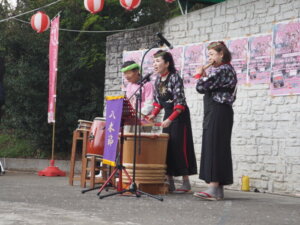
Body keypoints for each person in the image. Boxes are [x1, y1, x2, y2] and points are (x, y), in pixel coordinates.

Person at [147, 50, 197, 193]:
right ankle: (170, 182)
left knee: (179, 147)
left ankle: (186, 182)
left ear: (167, 63)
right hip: (168, 115)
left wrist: (170, 119)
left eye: (158, 61)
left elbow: (180, 103)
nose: (155, 64)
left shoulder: (175, 78)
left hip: (179, 116)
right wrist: (153, 114)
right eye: (154, 62)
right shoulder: (157, 80)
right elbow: (158, 103)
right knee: (166, 147)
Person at [194, 41, 237, 200]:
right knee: (217, 146)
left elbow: (201, 87)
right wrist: (205, 76)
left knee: (215, 146)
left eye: (212, 54)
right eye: (209, 55)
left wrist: (200, 75)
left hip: (218, 110)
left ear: (221, 54)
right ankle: (217, 190)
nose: (210, 58)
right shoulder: (222, 70)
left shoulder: (223, 69)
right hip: (219, 111)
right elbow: (210, 85)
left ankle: (213, 186)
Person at [121, 61, 154, 132]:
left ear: (136, 71)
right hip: (131, 119)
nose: (126, 76)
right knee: (128, 139)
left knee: (141, 142)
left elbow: (150, 104)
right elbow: (128, 102)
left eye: (128, 73)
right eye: (125, 74)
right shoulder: (129, 85)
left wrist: (138, 114)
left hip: (144, 119)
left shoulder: (147, 84)